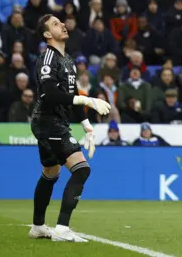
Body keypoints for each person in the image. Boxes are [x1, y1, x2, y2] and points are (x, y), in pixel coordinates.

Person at [29, 14, 111, 242]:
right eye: (56, 24)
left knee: (50, 173)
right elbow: (49, 93)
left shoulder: (68, 60)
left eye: (61, 22)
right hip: (48, 121)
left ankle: (37, 227)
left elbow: (71, 96)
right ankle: (62, 228)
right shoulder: (47, 57)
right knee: (82, 169)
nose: (63, 24)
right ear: (47, 34)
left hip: (55, 121)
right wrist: (86, 100)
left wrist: (87, 127)